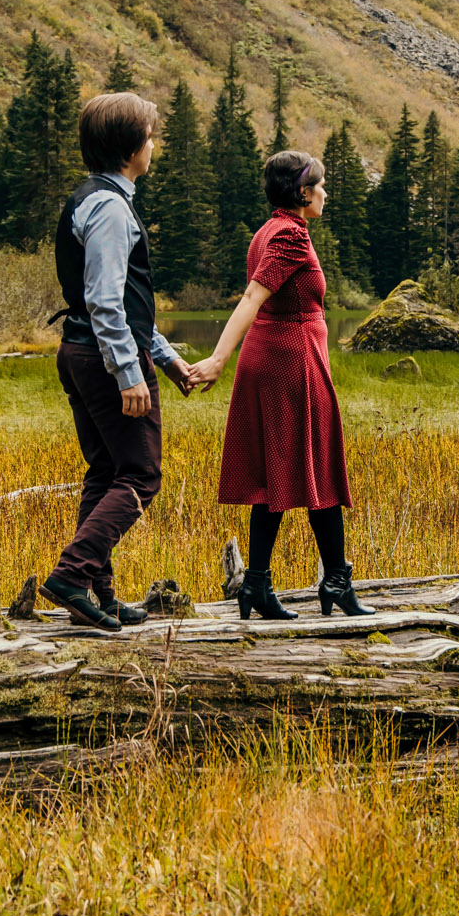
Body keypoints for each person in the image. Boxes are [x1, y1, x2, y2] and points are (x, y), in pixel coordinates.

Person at [186, 150, 372, 620]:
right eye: (321, 186)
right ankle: (335, 584)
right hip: (291, 363)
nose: (326, 193)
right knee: (319, 471)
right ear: (303, 192)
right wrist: (216, 358)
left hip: (276, 358)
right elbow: (253, 296)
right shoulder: (289, 235)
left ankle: (257, 586)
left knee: (276, 478)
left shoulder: (268, 230)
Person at [39, 91, 198, 631]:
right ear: (133, 147)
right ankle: (71, 574)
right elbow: (106, 300)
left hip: (83, 351)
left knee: (106, 471)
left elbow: (125, 301)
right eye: (150, 137)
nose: (153, 146)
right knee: (140, 474)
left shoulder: (94, 198)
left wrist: (168, 359)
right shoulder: (110, 207)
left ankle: (98, 595)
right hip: (105, 358)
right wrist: (130, 373)